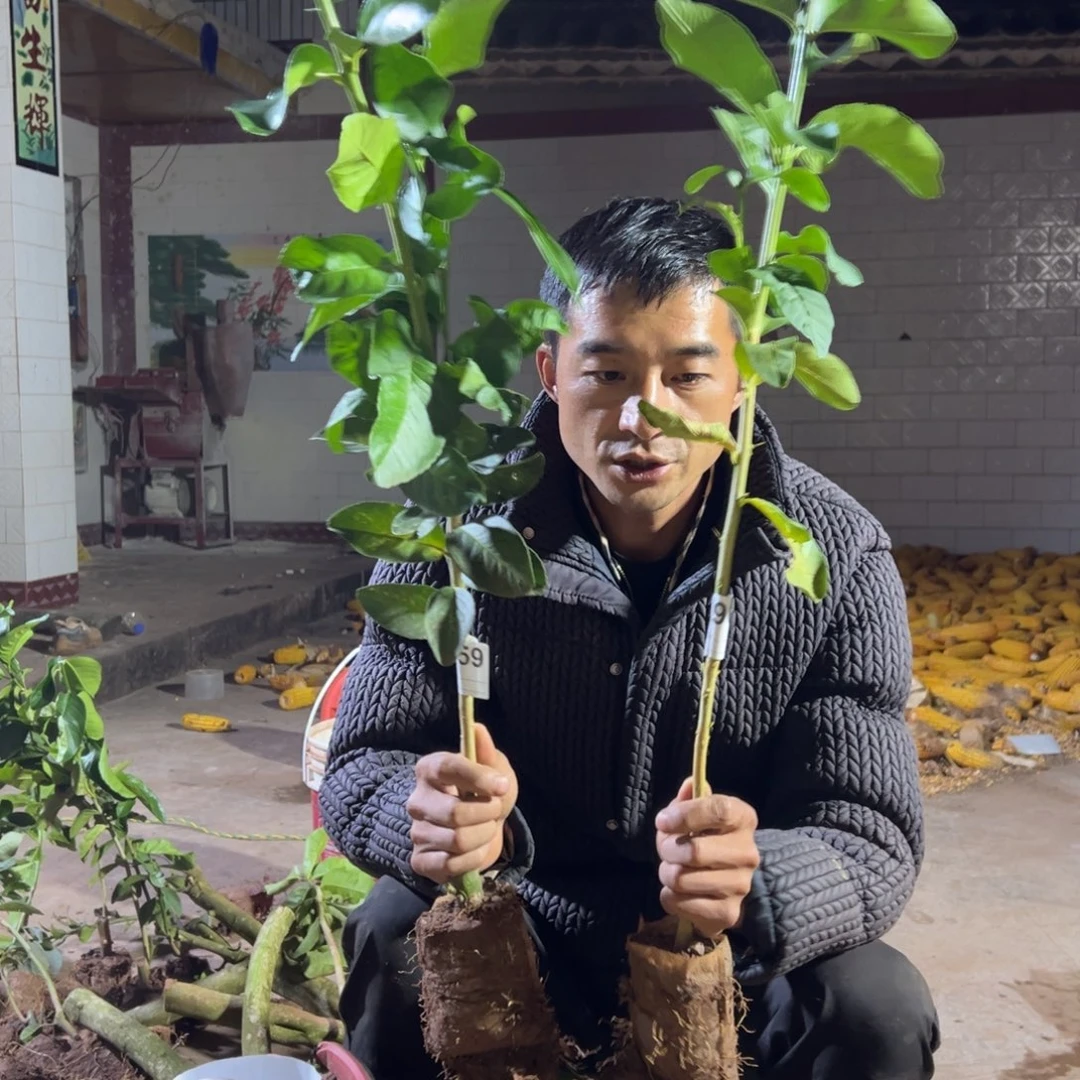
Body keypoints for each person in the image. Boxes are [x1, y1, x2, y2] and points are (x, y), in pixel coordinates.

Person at [319, 196, 940, 1080]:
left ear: (744, 379)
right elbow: (361, 762)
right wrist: (415, 815)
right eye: (605, 373)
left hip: (727, 960)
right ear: (548, 369)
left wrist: (757, 884)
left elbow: (870, 830)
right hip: (522, 931)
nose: (643, 417)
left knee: (876, 1002)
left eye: (687, 376)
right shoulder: (453, 531)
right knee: (391, 929)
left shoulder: (830, 552)